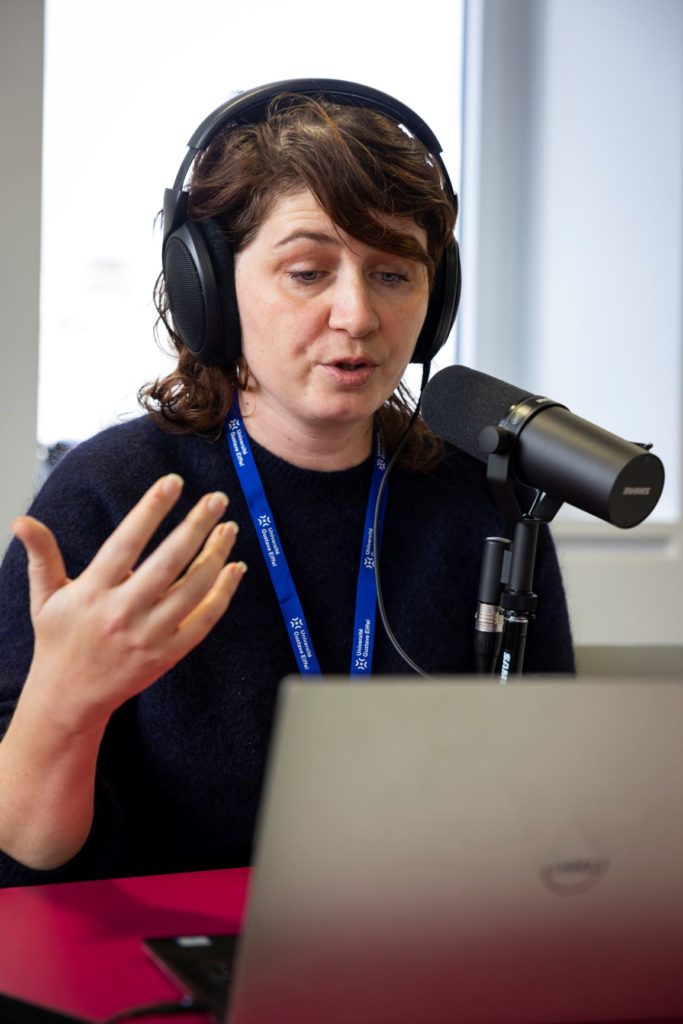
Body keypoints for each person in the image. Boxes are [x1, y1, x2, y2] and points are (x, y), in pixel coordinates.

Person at [0, 80, 574, 888]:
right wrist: (66, 704)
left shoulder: (486, 501)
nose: (357, 316)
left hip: (418, 934)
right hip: (166, 944)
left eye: (393, 274)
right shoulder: (115, 495)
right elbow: (26, 852)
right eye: (307, 272)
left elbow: (551, 806)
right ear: (209, 288)